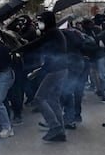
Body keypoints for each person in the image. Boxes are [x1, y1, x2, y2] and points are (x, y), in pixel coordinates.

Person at [15, 11, 68, 142]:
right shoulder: (53, 32)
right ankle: (60, 131)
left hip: (55, 70)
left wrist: (18, 50)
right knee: (53, 99)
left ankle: (55, 127)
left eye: (41, 20)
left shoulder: (52, 32)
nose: (39, 23)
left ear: (48, 21)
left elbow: (36, 44)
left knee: (40, 98)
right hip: (60, 69)